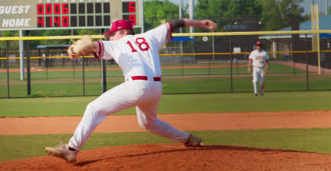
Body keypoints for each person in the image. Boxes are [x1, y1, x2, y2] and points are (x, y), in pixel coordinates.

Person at [45, 18, 218, 163]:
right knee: (148, 123)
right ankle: (188, 139)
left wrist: (76, 50)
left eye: (113, 34)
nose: (111, 37)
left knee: (94, 108)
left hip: (137, 86)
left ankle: (71, 149)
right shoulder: (150, 36)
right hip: (156, 89)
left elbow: (93, 46)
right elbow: (177, 23)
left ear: (124, 32)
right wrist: (201, 23)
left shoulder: (118, 43)